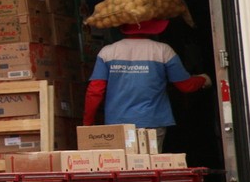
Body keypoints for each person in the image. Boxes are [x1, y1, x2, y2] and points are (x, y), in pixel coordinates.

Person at [83, 18, 212, 150]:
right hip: (153, 124)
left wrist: (88, 125)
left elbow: (95, 92)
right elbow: (185, 85)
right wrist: (204, 79)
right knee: (150, 167)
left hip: (117, 126)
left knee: (122, 168)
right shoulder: (163, 51)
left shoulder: (107, 52)